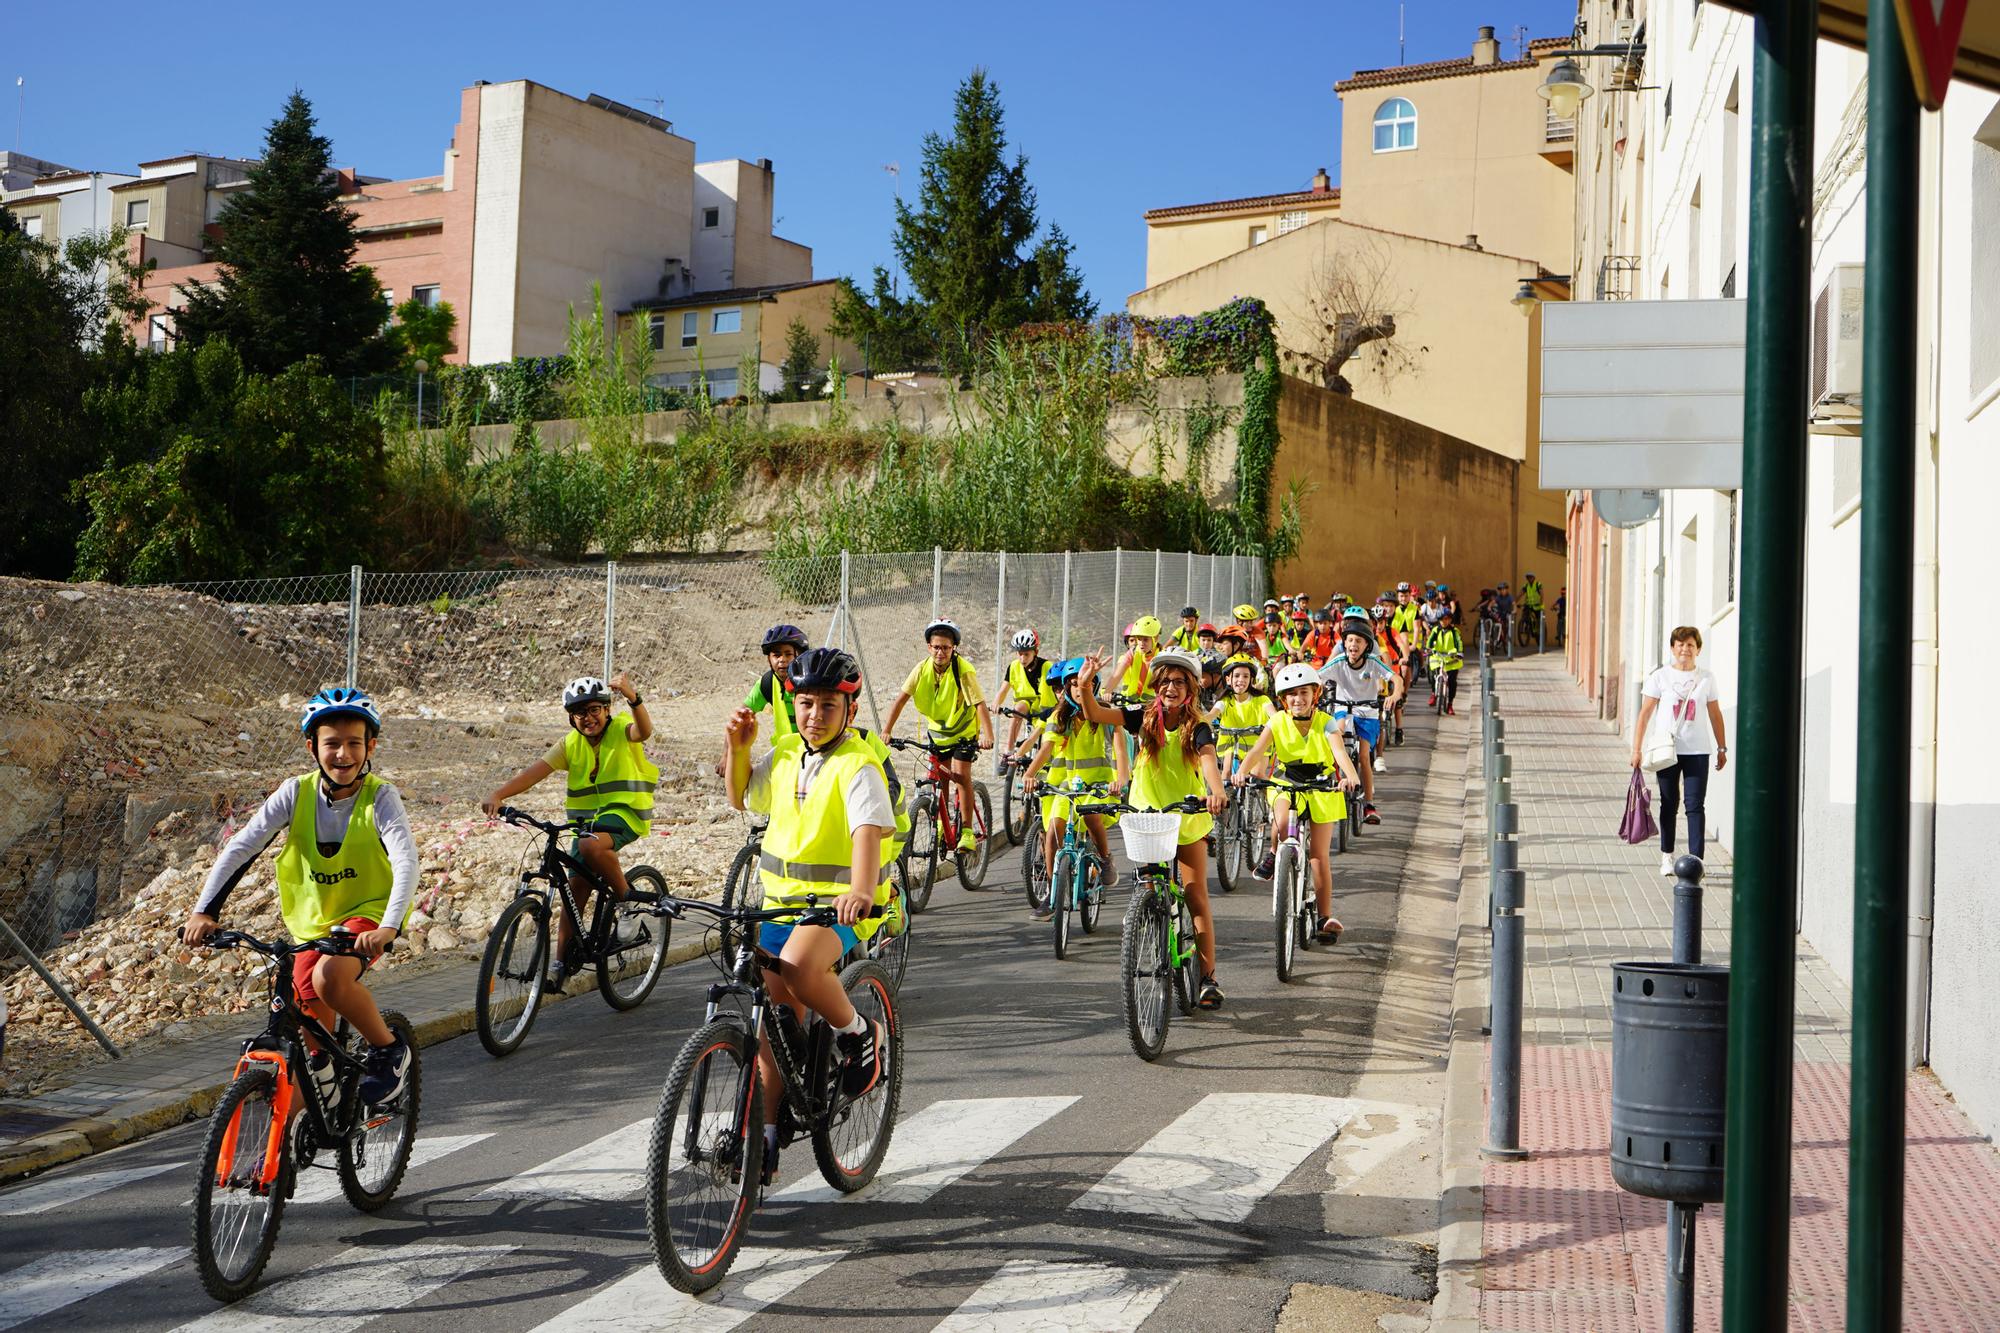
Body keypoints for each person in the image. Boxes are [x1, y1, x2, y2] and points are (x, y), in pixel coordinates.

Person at [183, 687, 415, 1106]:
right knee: (304, 1016)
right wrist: (205, 911)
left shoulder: (381, 797)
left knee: (329, 979)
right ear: (312, 747)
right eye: (331, 743)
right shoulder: (295, 792)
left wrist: (388, 927)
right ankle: (284, 1151)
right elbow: (241, 847)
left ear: (370, 747)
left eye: (353, 743)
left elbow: (405, 863)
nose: (342, 753)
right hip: (314, 922)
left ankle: (388, 1049)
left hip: (370, 915)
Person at [723, 647, 893, 1182]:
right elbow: (738, 798)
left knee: (799, 966)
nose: (813, 715)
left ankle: (859, 1031)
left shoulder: (858, 765)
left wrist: (861, 889)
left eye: (826, 706)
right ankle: (768, 1136)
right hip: (780, 905)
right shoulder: (786, 752)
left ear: (850, 710)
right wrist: (738, 748)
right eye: (804, 704)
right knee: (774, 1026)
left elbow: (867, 831)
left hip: (840, 904)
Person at [1076, 648, 1229, 1008]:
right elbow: (1097, 713)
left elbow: (1208, 761)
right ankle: (1151, 926)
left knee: (1195, 895)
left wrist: (1217, 791)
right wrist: (1085, 686)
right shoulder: (1142, 718)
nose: (1170, 687)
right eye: (1164, 682)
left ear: (1190, 689)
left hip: (1187, 818)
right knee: (1148, 887)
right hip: (1148, 819)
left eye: (1178, 682)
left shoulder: (1198, 727)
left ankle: (1208, 978)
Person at [485, 673, 658, 991]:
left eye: (594, 709)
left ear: (606, 710)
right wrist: (499, 795)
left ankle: (626, 905)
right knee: (573, 889)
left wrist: (634, 698)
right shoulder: (570, 745)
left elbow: (644, 731)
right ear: (571, 718)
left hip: (624, 814)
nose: (588, 718)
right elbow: (533, 774)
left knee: (591, 848)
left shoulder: (621, 729)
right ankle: (560, 964)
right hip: (584, 825)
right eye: (580, 713)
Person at [1232, 662, 1363, 943]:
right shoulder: (1277, 720)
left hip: (1321, 785)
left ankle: (1324, 917)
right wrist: (1242, 771)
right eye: (1291, 694)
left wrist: (1351, 777)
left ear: (1314, 695)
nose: (1298, 699)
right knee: (1280, 825)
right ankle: (1275, 854)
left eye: (1304, 693)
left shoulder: (1325, 722)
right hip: (1287, 782)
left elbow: (1339, 753)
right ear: (1283, 699)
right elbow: (1258, 749)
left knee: (1318, 856)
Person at [1020, 657, 1130, 917]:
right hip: (1071, 786)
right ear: (1067, 689)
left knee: (1092, 816)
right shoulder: (1061, 716)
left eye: (1086, 684)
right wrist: (1029, 774)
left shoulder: (1105, 714)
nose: (1079, 690)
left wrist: (1121, 780)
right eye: (1072, 685)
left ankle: (1105, 859)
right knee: (1053, 832)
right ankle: (1052, 889)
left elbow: (1120, 751)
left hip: (1101, 786)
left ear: (1094, 685)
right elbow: (1046, 749)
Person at [884, 618, 994, 853]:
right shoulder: (921, 669)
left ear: (953, 648)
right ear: (928, 647)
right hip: (938, 733)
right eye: (936, 647)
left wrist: (987, 734)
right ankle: (942, 825)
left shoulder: (962, 670)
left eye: (945, 647)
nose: (940, 652)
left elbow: (980, 704)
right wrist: (887, 730)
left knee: (961, 775)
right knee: (939, 778)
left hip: (963, 732)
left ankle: (966, 830)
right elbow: (900, 700)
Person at [1630, 627, 1728, 875]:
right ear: (1673, 648)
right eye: (1680, 644)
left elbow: (1715, 714)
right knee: (1669, 803)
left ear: (1698, 649)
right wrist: (1636, 749)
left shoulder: (1706, 678)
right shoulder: (1660, 677)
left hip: (1697, 750)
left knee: (1695, 805)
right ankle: (1667, 856)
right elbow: (1645, 714)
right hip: (1667, 750)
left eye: (1690, 645)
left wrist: (1722, 747)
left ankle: (1696, 861)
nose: (1685, 649)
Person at [1318, 621, 1402, 824]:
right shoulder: (1338, 661)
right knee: (1336, 739)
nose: (1353, 645)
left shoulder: (1373, 662)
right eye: (1349, 640)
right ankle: (1328, 782)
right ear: (1344, 643)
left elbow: (1396, 679)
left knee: (1364, 756)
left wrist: (1394, 695)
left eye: (1358, 641)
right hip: (1343, 710)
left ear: (1367, 645)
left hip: (1367, 712)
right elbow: (1317, 677)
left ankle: (1369, 805)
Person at [995, 627, 1056, 766]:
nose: (1022, 658)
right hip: (1026, 707)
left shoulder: (1047, 666)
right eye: (1019, 654)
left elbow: (1058, 689)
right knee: (1018, 708)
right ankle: (1008, 752)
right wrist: (996, 704)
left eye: (1026, 654)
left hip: (1046, 711)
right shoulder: (1013, 667)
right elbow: (1003, 690)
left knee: (1046, 751)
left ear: (1036, 652)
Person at [745, 624, 809, 741]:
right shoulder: (767, 683)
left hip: (816, 747)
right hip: (787, 750)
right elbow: (741, 716)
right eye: (776, 655)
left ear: (800, 656)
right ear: (769, 659)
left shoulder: (813, 683)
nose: (782, 659)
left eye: (788, 654)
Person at [1112, 615, 1163, 704]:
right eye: (1137, 639)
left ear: (1155, 639)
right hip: (1129, 700)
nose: (1139, 643)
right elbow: (1117, 675)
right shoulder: (1131, 654)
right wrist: (1107, 690)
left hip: (1151, 703)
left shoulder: (1162, 656)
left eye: (1145, 639)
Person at [1429, 611, 1466, 713]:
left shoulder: (1455, 631)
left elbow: (1459, 642)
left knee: (1452, 681)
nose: (1443, 622)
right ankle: (1434, 693)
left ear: (1450, 620)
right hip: (1438, 657)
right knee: (1433, 676)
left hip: (1452, 659)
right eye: (1441, 619)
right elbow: (1430, 641)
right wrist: (1428, 648)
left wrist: (1459, 652)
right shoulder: (1436, 630)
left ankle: (1450, 704)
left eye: (1446, 619)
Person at [1519, 572, 1544, 643]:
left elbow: (1542, 594)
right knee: (1524, 614)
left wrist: (1541, 604)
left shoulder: (1538, 584)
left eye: (1530, 577)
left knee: (1539, 620)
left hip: (1537, 606)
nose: (1529, 579)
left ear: (1533, 578)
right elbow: (1520, 594)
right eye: (1528, 578)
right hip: (1529, 605)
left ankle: (1539, 633)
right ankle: (1526, 625)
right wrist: (1514, 602)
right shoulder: (1526, 586)